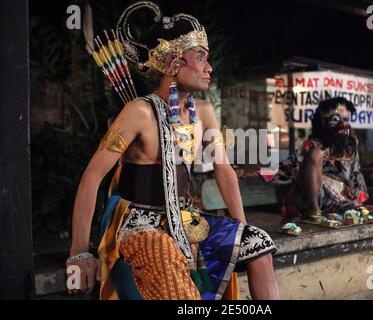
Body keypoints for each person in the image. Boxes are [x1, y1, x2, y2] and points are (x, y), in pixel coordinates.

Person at [66, 1, 279, 300]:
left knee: (258, 244)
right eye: (201, 57)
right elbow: (92, 177)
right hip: (140, 224)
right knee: (173, 273)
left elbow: (223, 169)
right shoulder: (138, 112)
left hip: (185, 217)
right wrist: (78, 253)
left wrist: (240, 228)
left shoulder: (204, 112)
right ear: (173, 63)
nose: (209, 67)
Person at [280, 97, 368, 223]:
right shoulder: (312, 146)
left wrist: (357, 201)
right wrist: (255, 171)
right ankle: (314, 211)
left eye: (346, 119)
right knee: (316, 154)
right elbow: (289, 167)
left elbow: (355, 173)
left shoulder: (350, 145)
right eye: (336, 120)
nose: (343, 124)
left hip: (341, 203)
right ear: (323, 122)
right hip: (314, 202)